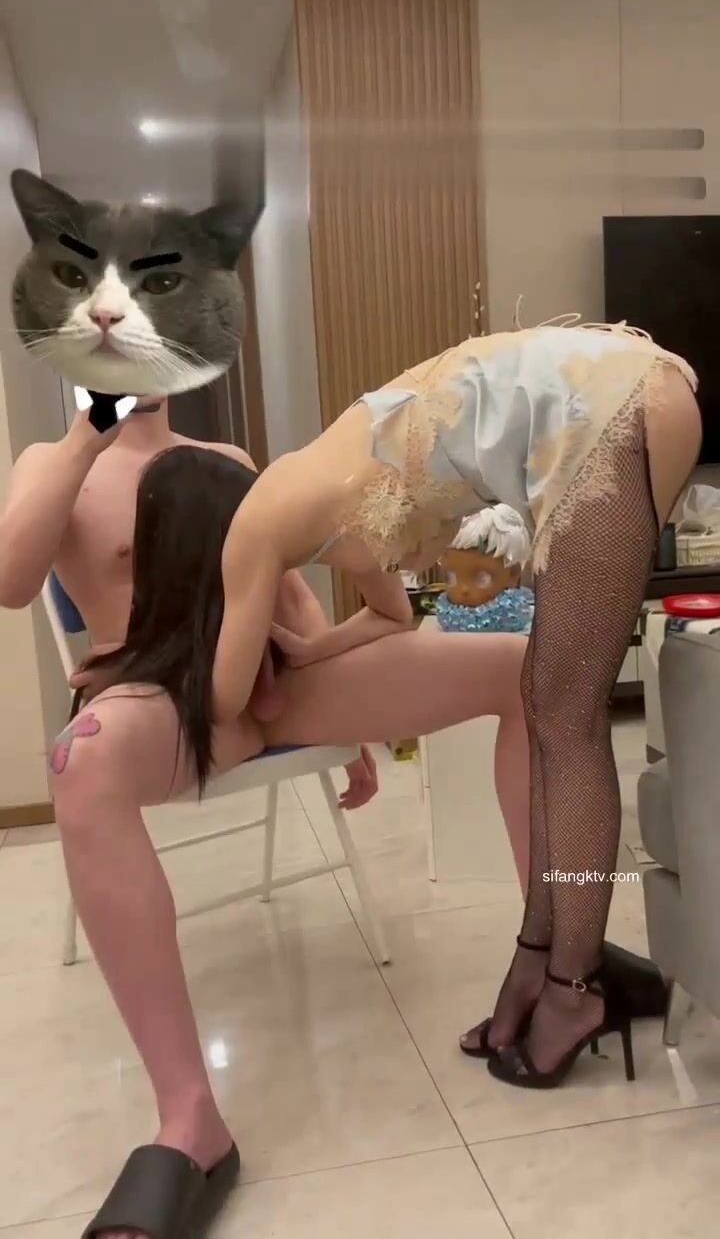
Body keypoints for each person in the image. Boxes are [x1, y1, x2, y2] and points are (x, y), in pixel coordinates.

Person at [0, 397, 531, 1239]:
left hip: (276, 677)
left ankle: (556, 968)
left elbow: (291, 597)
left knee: (529, 670)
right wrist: (84, 435)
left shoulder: (231, 458)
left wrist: (348, 730)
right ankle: (190, 1119)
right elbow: (9, 582)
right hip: (166, 698)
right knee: (82, 759)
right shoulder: (58, 461)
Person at [209, 320, 701, 1092]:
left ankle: (574, 989)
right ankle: (542, 963)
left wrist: (150, 665)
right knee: (548, 706)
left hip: (607, 406)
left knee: (565, 717)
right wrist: (310, 651)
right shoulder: (307, 490)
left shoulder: (250, 533)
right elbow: (390, 615)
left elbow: (226, 701)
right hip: (612, 395)